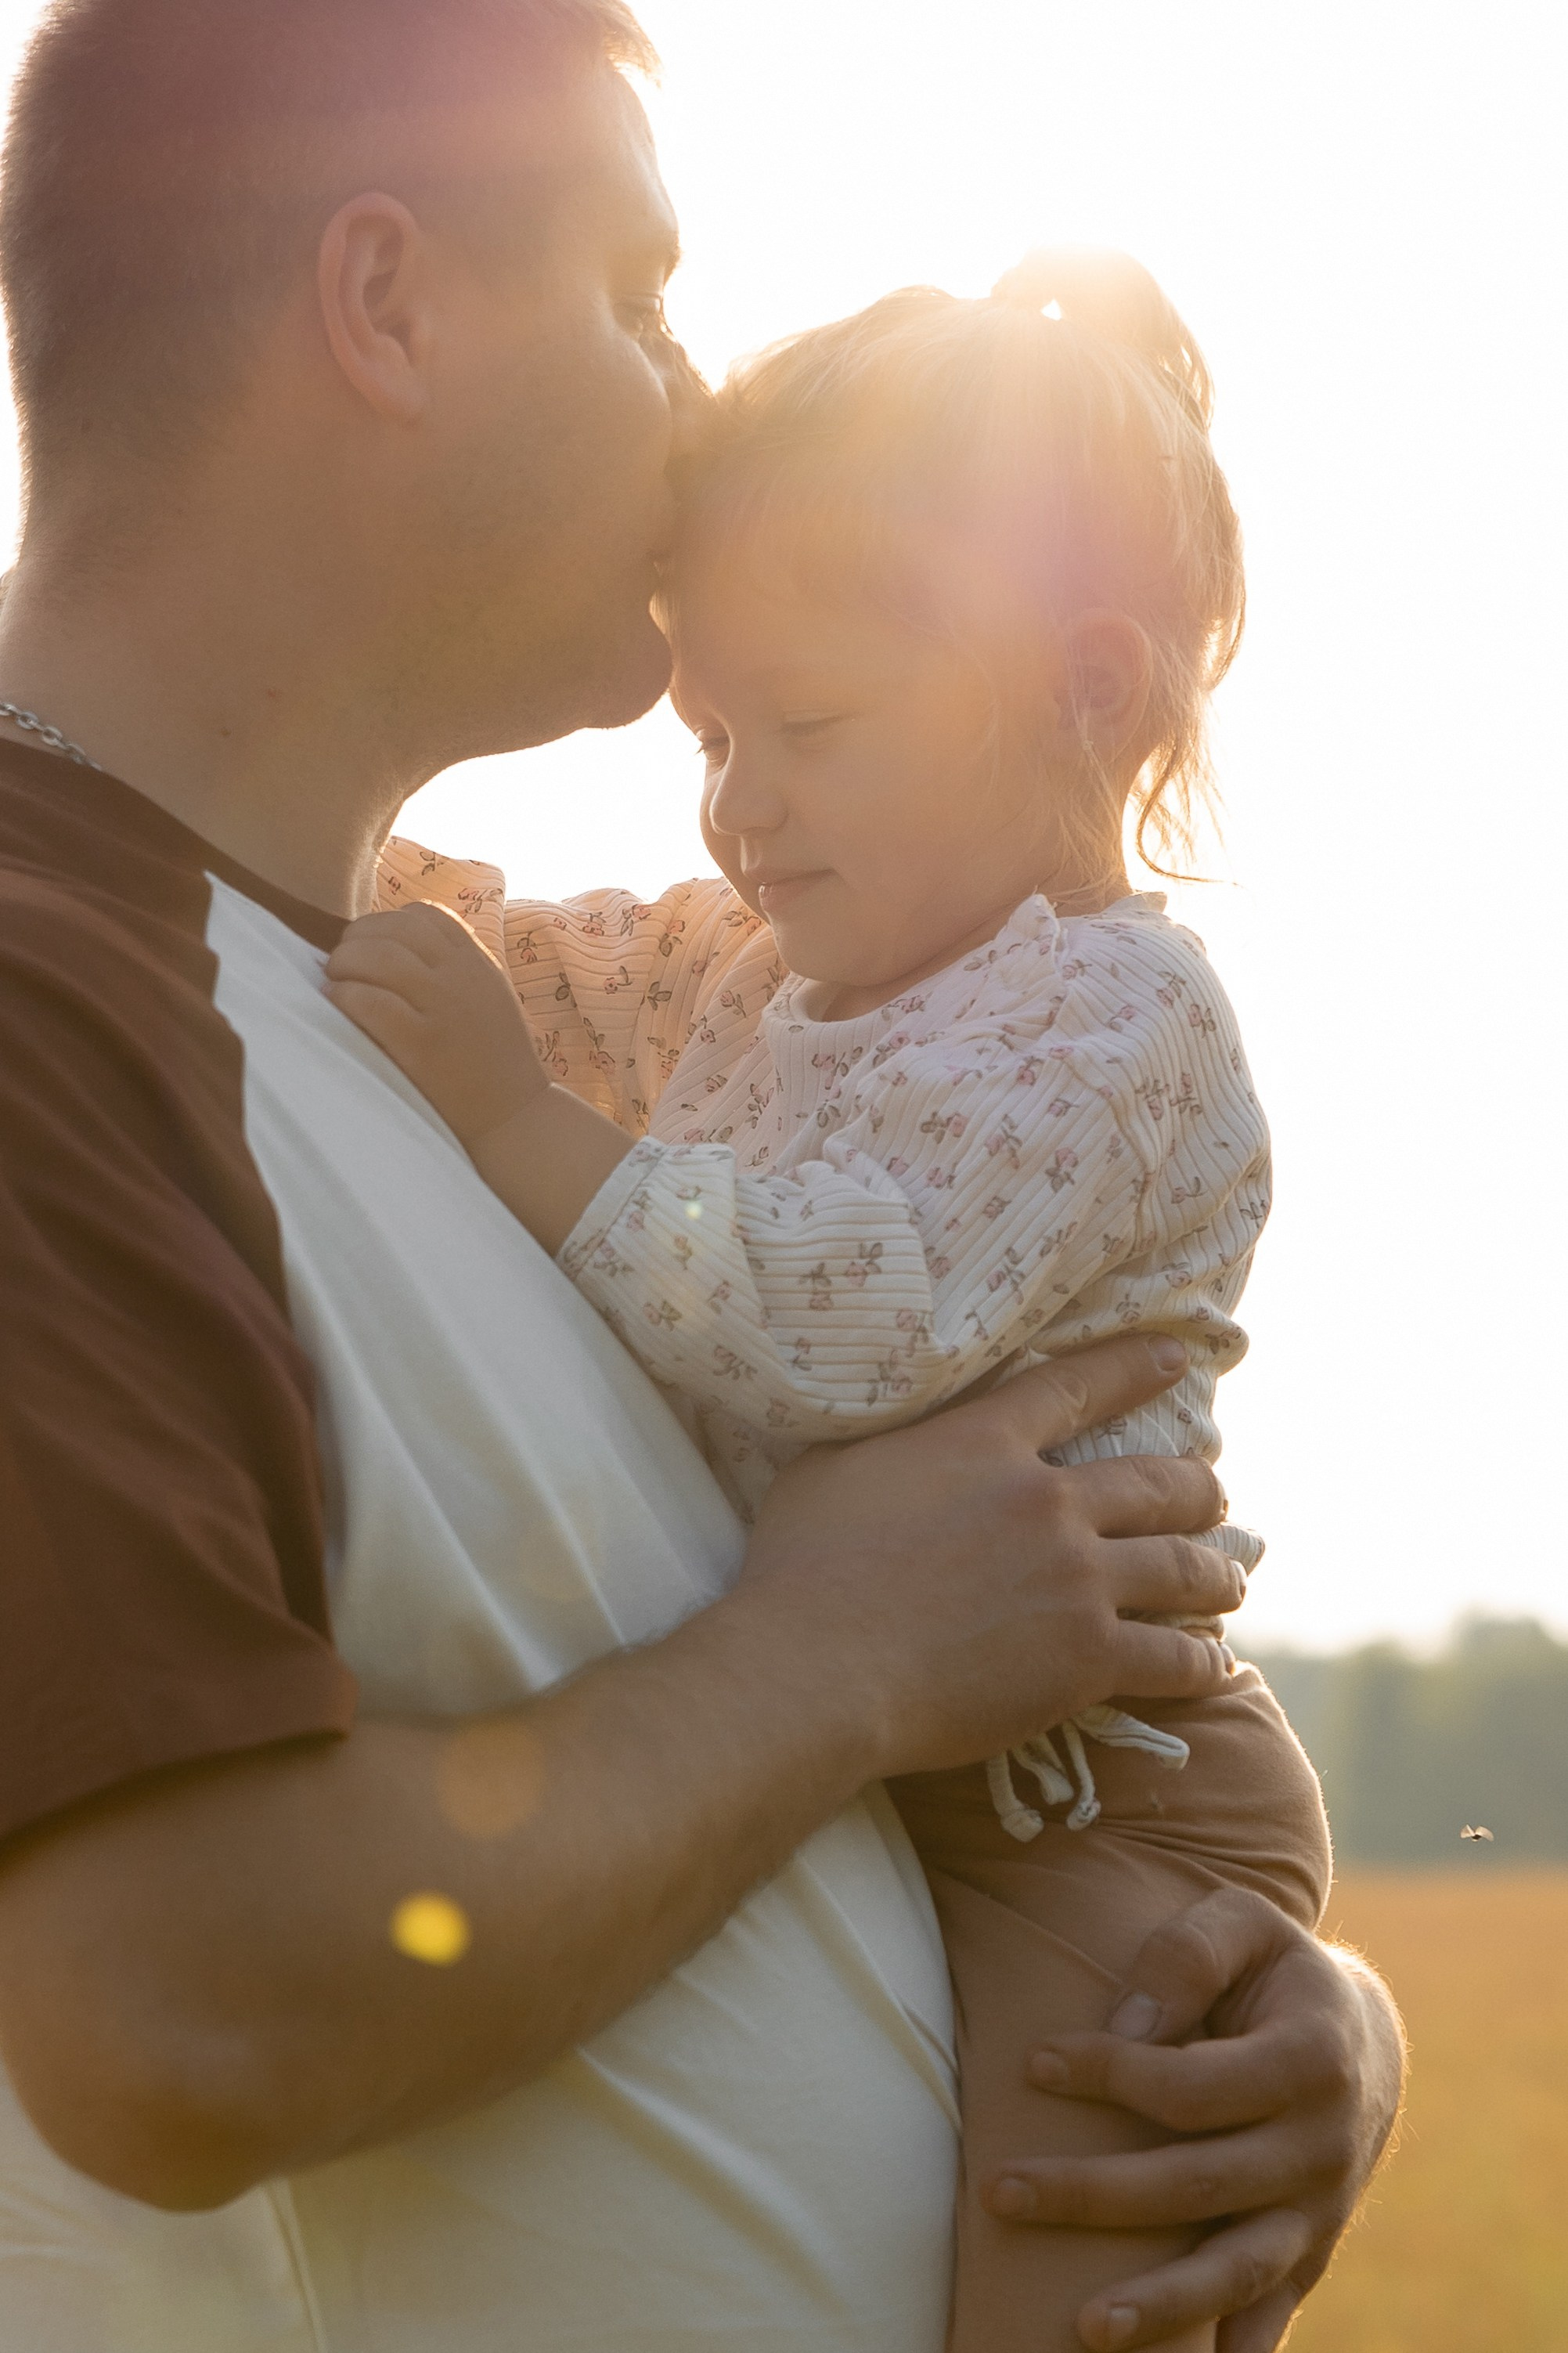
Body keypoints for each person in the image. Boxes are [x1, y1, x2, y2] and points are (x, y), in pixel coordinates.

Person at [0, 4, 1402, 2351]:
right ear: (388, 301)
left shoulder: (419, 1008)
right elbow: (174, 2016)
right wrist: (838, 1662)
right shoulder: (49, 1007)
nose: (692, 395)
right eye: (641, 296)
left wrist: (1264, 2013)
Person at [331, 251, 1334, 2353]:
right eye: (712, 734)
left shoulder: (1103, 1023)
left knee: (1066, 2292)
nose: (738, 802)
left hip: (1095, 1804)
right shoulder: (761, 972)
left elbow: (848, 1319)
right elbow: (512, 959)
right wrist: (297, 850)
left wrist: (525, 1135)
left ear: (1083, 689)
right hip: (893, 1753)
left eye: (806, 727)